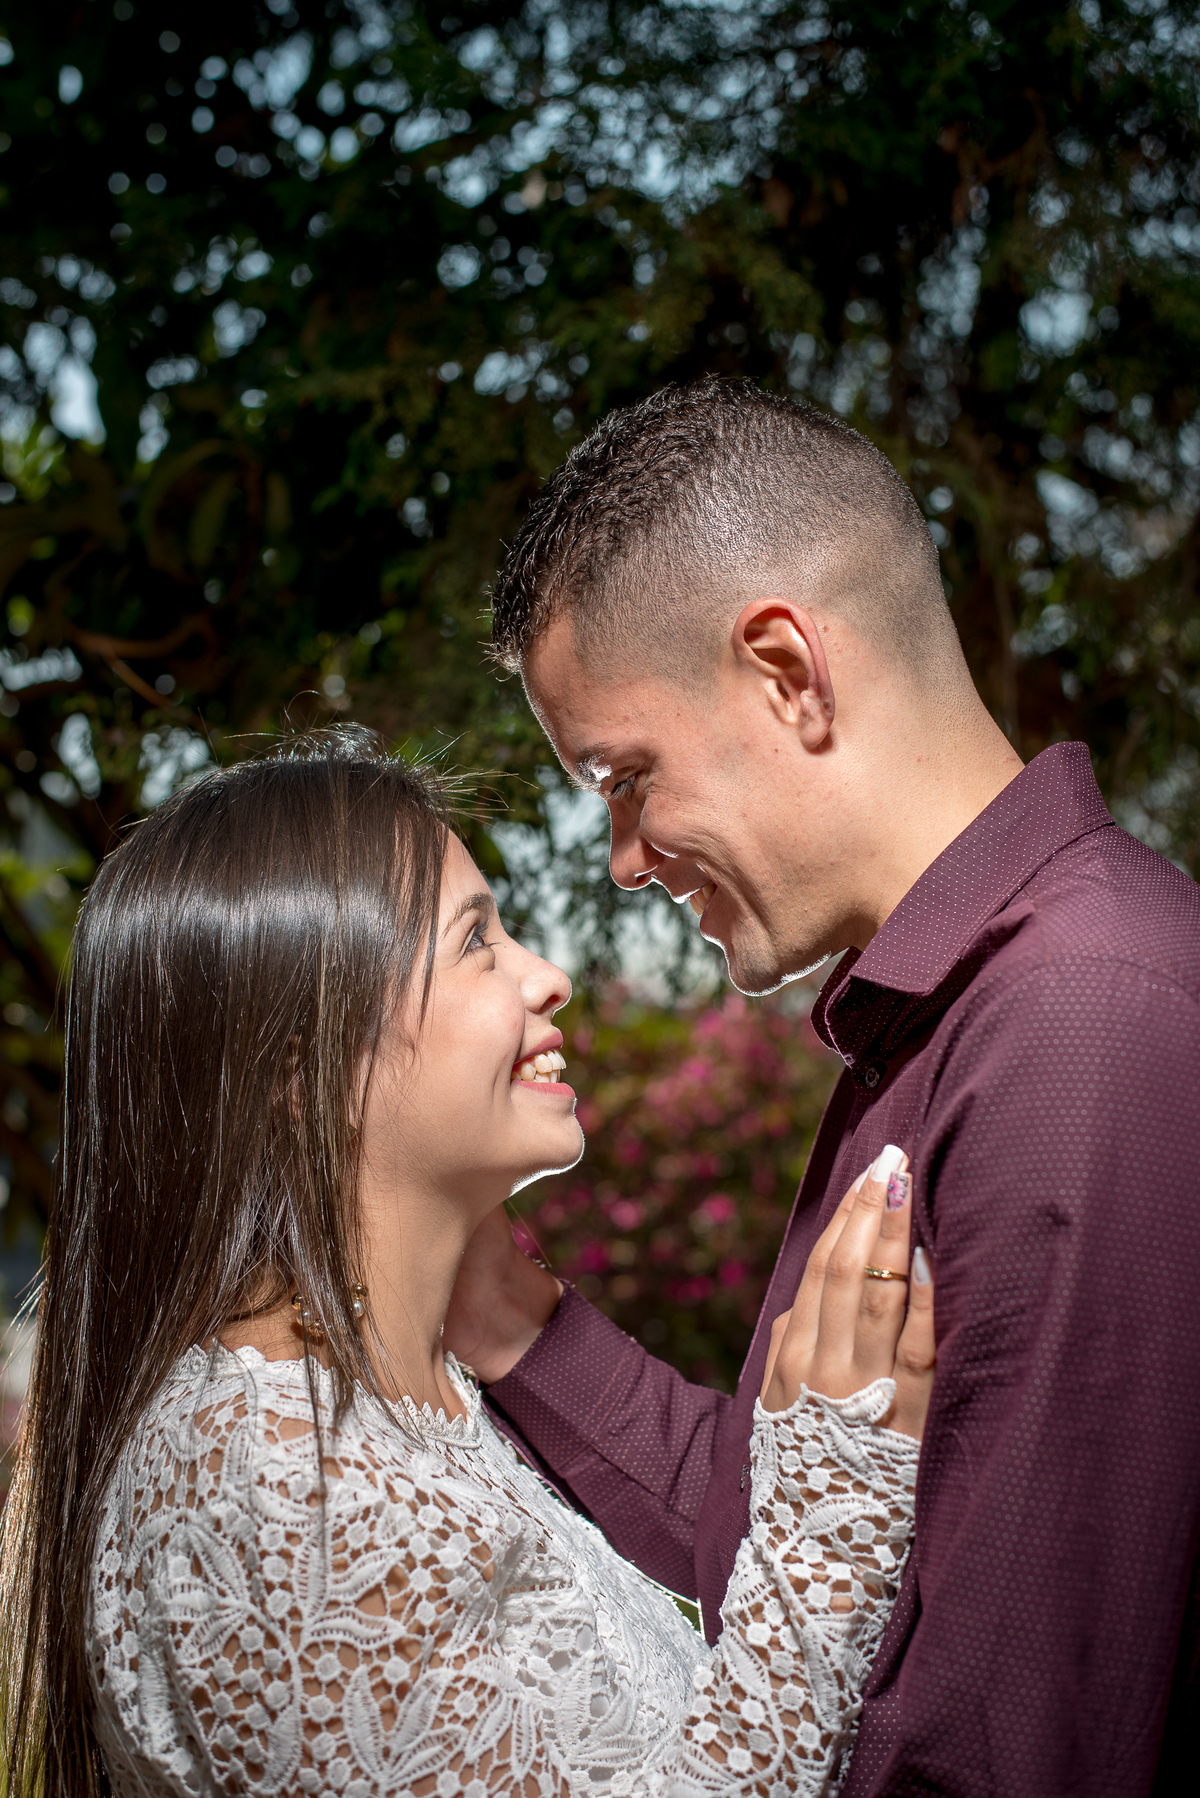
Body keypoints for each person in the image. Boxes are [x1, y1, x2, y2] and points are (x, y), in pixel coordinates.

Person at [446, 380, 1200, 1796]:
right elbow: (804, 1540)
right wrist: (506, 1318)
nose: (620, 856)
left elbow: (1002, 1745)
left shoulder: (1078, 1023)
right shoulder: (963, 1008)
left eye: (623, 775)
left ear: (789, 670)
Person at [0, 730, 936, 1798]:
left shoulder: (415, 1399)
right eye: (477, 941)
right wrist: (825, 1520)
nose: (553, 977)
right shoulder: (267, 1479)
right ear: (301, 1068)